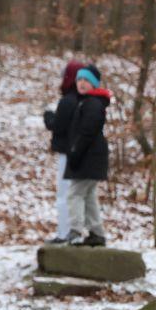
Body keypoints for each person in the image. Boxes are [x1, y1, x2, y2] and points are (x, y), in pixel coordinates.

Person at [64, 64, 113, 247]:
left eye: (86, 80)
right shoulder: (88, 102)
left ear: (94, 84)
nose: (82, 83)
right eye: (79, 79)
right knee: (89, 195)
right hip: (91, 157)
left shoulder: (92, 103)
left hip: (89, 157)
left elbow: (87, 131)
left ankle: (76, 231)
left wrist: (75, 151)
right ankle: (96, 233)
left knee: (74, 194)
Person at [43, 60, 84, 244]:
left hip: (68, 155)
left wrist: (48, 116)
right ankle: (73, 233)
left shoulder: (68, 101)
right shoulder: (83, 100)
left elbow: (57, 126)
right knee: (75, 195)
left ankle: (64, 233)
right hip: (79, 154)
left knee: (65, 195)